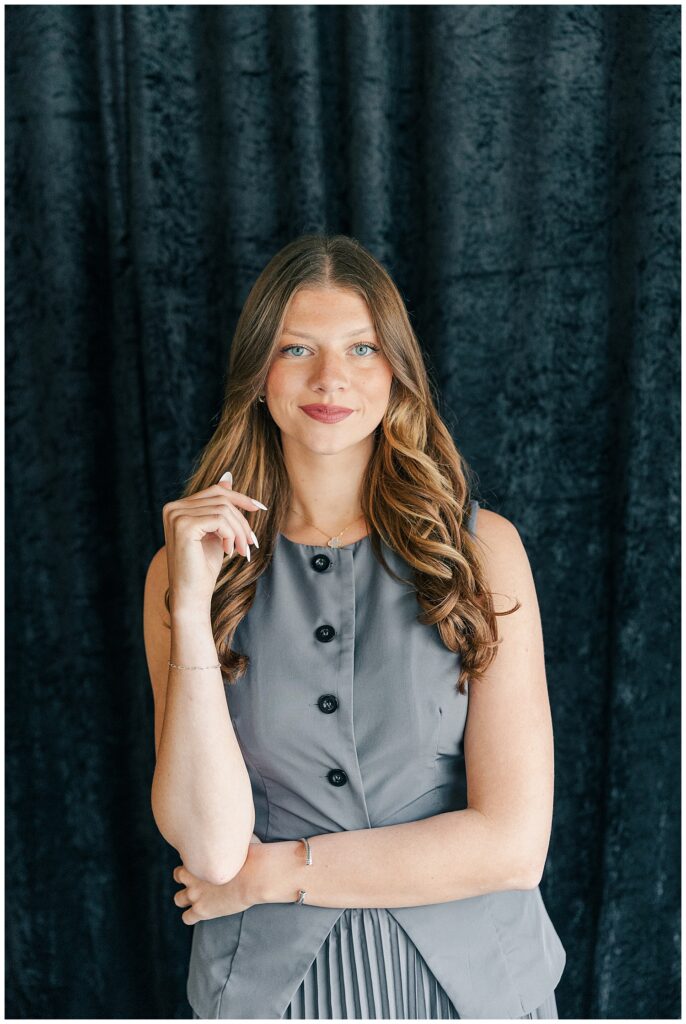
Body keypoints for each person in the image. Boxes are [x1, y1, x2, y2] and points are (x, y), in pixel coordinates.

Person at [143, 234, 566, 1019]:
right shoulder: (183, 570)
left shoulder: (481, 552)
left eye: (362, 348)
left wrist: (274, 873)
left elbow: (514, 845)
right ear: (258, 376)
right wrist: (192, 613)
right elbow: (207, 849)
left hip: (476, 989)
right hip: (273, 994)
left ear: (395, 374)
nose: (331, 378)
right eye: (297, 347)